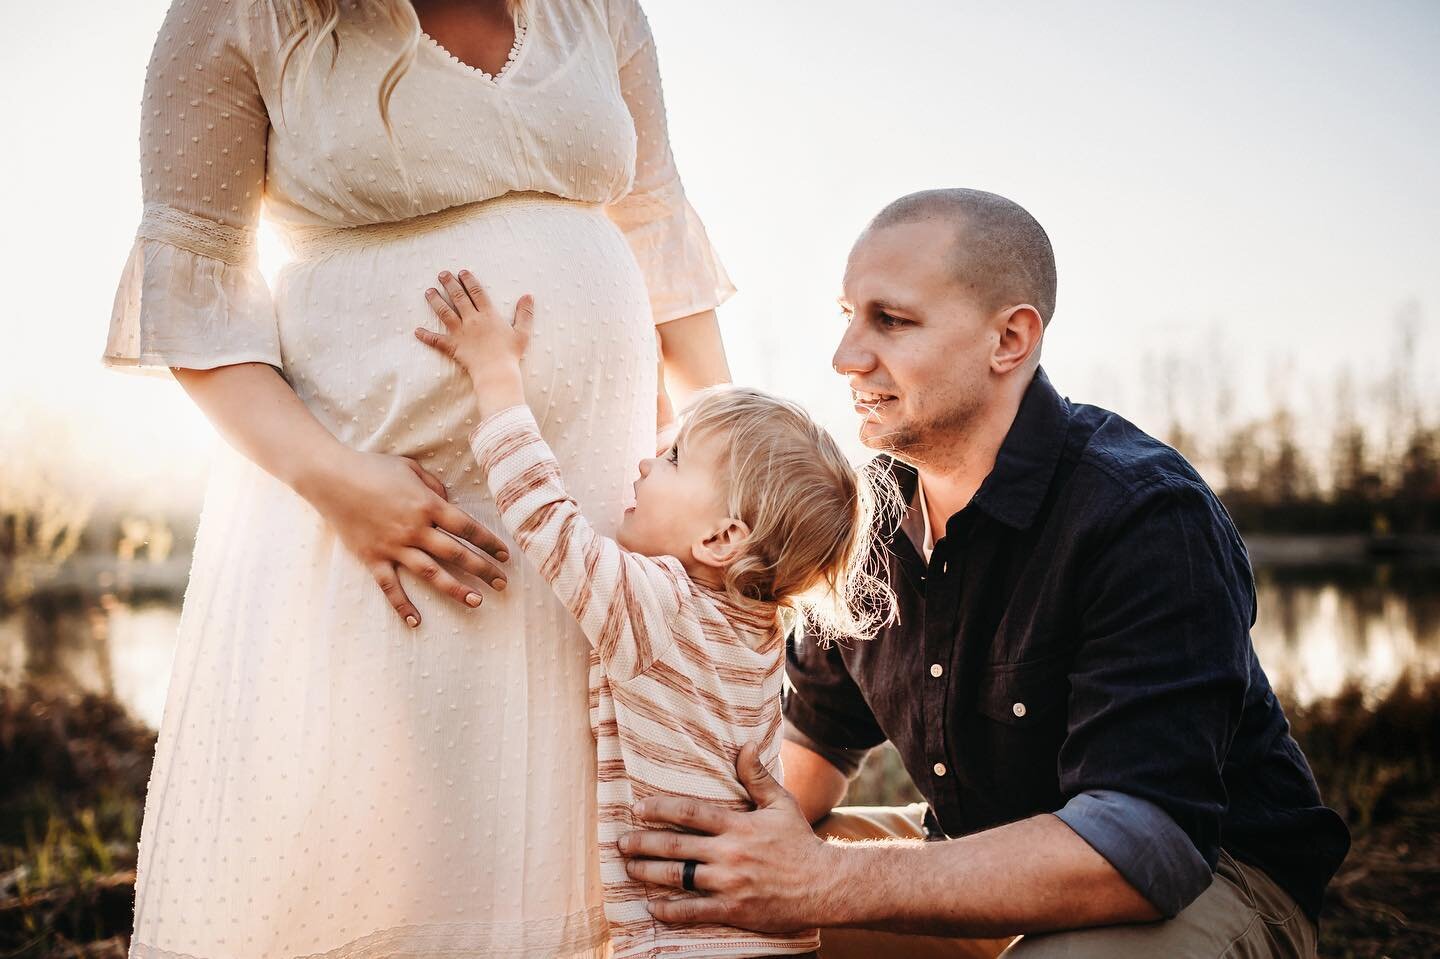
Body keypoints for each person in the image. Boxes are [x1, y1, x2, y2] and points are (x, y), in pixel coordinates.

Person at [102, 1, 731, 955]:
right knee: (403, 836)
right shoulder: (239, 15)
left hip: (599, 514)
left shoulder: (597, 9)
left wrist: (734, 467)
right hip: (378, 511)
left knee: (579, 814)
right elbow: (195, 298)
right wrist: (343, 487)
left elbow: (661, 247)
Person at [617, 189, 1352, 958]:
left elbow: (1146, 846)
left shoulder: (1142, 516)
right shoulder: (865, 522)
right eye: (848, 316)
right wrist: (720, 855)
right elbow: (808, 750)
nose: (846, 358)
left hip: (1214, 876)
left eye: (891, 321)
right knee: (709, 903)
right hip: (979, 859)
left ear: (1010, 337)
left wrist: (822, 880)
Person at [411, 266, 895, 957]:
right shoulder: (752, 625)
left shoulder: (659, 605)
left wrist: (496, 376)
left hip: (691, 946)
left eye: (671, 458)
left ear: (723, 538)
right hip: (772, 939)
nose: (643, 464)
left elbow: (547, 518)